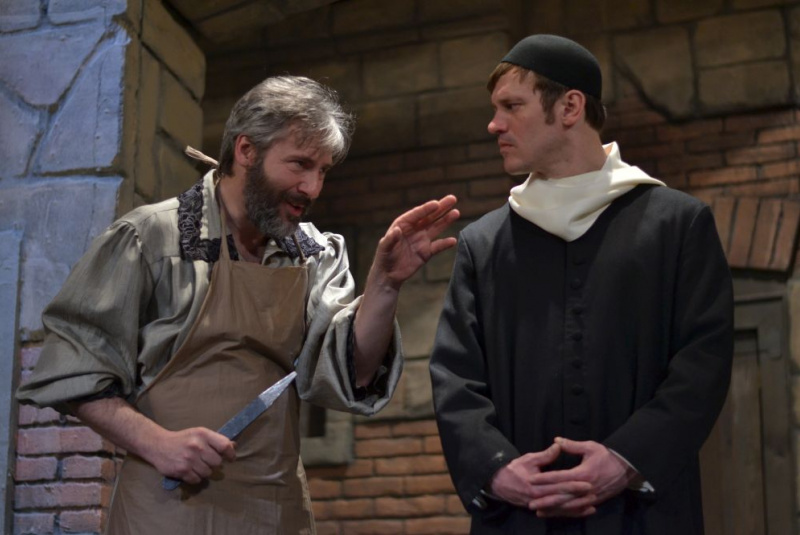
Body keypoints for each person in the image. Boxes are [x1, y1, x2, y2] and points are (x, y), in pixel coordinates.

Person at [18, 75, 460, 534]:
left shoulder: (313, 254)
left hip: (275, 510)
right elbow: (72, 368)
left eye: (323, 171)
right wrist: (157, 443)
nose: (312, 187)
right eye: (300, 164)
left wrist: (385, 283)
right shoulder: (151, 238)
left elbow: (353, 373)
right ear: (247, 150)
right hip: (166, 509)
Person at [429, 34, 733, 534]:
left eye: (512, 106)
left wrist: (627, 457)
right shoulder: (482, 245)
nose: (494, 124)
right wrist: (497, 468)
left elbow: (703, 362)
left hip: (642, 516)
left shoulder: (677, 226)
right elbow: (455, 376)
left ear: (570, 107)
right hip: (520, 518)